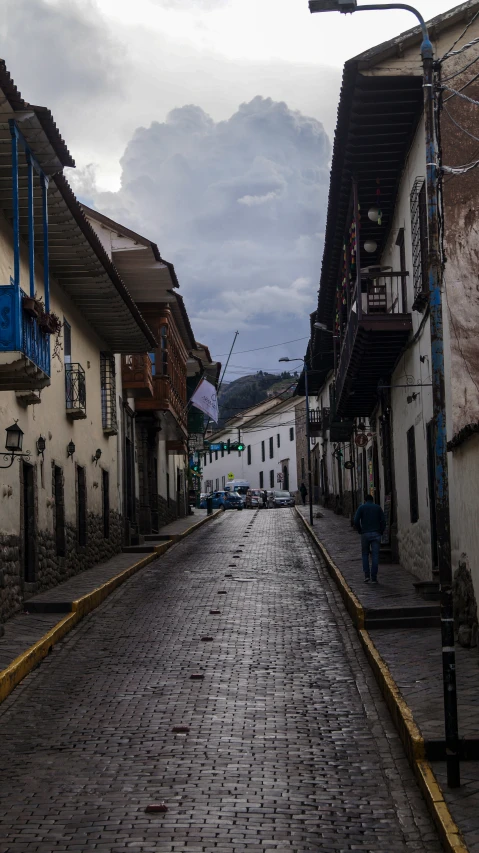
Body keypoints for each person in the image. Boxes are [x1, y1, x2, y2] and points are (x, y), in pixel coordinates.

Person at [354, 495, 386, 584]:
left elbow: (356, 520)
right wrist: (381, 531)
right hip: (376, 533)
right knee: (375, 555)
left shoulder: (362, 508)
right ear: (373, 500)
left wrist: (360, 530)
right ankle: (374, 577)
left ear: (365, 500)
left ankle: (367, 575)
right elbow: (383, 521)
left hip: (365, 534)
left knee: (365, 554)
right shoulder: (378, 508)